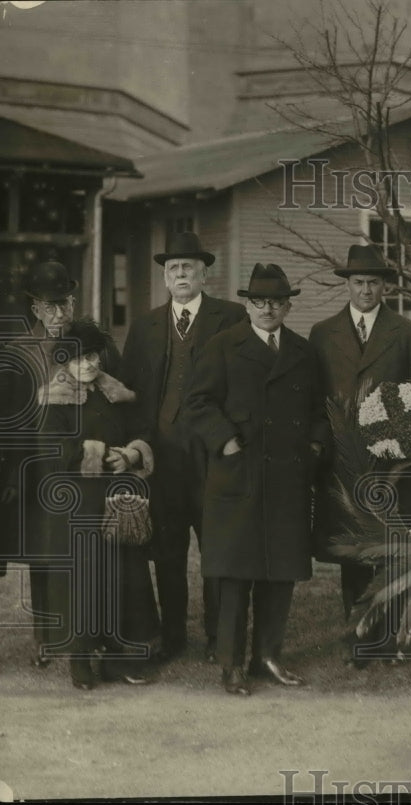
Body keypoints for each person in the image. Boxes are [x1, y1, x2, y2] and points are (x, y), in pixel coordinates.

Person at [185, 263, 329, 696]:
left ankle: (267, 657)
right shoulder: (223, 345)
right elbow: (197, 403)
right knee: (234, 575)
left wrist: (316, 448)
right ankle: (231, 665)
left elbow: (320, 412)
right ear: (248, 305)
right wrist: (225, 440)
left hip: (287, 480)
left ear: (287, 306)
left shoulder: (302, 352)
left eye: (277, 302)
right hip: (238, 477)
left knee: (279, 573)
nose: (268, 309)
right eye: (260, 302)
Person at [119, 231, 246, 664]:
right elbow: (131, 392)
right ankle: (172, 637)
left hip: (212, 456)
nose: (180, 274)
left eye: (188, 267)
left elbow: (243, 388)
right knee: (168, 552)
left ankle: (217, 637)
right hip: (164, 461)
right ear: (165, 278)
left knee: (216, 549)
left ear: (204, 273)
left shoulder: (230, 318)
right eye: (172, 268)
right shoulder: (146, 326)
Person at [0, 261, 117, 669]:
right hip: (34, 468)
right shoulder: (17, 352)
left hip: (84, 465)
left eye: (65, 303)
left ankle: (91, 632)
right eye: (50, 307)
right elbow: (9, 420)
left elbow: (109, 404)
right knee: (43, 552)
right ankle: (46, 637)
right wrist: (13, 474)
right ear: (35, 308)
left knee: (90, 550)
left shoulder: (93, 343)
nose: (59, 314)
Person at [308, 243, 411, 656]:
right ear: (348, 285)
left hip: (391, 463)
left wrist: (406, 447)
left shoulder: (407, 333)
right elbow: (315, 396)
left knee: (390, 547)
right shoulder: (323, 334)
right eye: (359, 282)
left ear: (385, 288)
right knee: (351, 548)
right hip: (341, 462)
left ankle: (389, 634)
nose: (366, 290)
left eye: (374, 283)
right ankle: (359, 630)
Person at [34, 319, 159, 690]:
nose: (88, 364)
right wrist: (101, 453)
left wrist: (133, 455)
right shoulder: (54, 399)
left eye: (92, 356)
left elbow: (143, 430)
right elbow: (53, 450)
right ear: (65, 362)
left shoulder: (115, 393)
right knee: (83, 583)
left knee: (122, 579)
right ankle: (81, 659)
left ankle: (118, 659)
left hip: (117, 503)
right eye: (78, 358)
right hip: (77, 508)